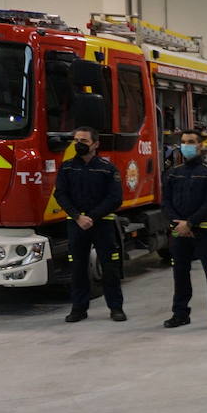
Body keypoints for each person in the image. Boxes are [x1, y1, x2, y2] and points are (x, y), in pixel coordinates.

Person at [53, 126, 124, 323]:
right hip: (76, 225)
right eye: (76, 140)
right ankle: (78, 309)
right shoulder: (67, 167)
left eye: (83, 141)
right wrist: (77, 217)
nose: (78, 144)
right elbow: (60, 194)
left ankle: (116, 308)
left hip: (102, 225)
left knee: (110, 268)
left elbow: (115, 198)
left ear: (96, 144)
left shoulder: (107, 168)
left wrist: (91, 217)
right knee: (77, 268)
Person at [163, 129, 207, 331]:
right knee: (180, 274)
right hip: (179, 232)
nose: (186, 145)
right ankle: (180, 314)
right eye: (183, 142)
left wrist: (189, 223)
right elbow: (165, 202)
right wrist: (178, 224)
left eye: (191, 142)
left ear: (201, 145)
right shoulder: (173, 172)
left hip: (203, 232)